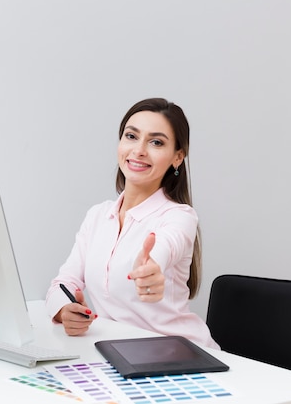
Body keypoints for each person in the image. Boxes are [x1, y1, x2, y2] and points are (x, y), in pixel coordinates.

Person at [45, 98, 218, 349]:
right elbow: (62, 283)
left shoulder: (179, 216)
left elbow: (165, 247)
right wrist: (63, 310)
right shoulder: (98, 215)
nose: (139, 150)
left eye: (156, 142)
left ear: (177, 157)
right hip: (120, 355)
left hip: (181, 356)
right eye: (131, 136)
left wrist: (151, 270)